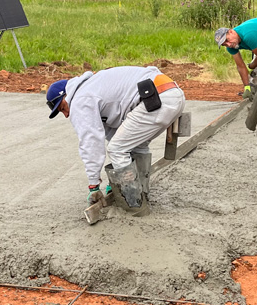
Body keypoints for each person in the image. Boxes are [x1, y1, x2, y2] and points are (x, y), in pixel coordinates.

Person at [46, 65, 186, 211]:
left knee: (117, 150)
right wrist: (117, 179)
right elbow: (116, 134)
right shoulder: (93, 87)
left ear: (65, 96)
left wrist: (93, 185)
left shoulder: (79, 100)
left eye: (62, 108)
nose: (66, 114)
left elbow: (91, 143)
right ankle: (142, 194)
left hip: (157, 99)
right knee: (136, 146)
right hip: (171, 95)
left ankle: (135, 207)